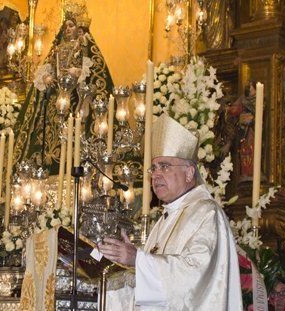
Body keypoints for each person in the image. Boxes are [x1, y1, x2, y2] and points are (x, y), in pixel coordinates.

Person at [98, 114, 242, 310]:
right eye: (154, 168)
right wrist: (119, 267)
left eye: (164, 167)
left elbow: (195, 276)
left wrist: (137, 259)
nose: (156, 174)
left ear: (190, 173)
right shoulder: (167, 216)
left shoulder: (206, 213)